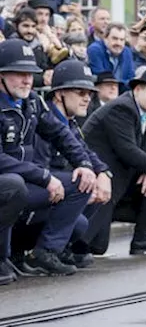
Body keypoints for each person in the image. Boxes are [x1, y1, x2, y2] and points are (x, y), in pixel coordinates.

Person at [0, 40, 96, 276]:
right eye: (19, 74)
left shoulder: (31, 101)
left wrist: (84, 165)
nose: (26, 80)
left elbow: (61, 134)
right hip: (8, 184)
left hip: (25, 183)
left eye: (30, 74)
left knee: (80, 185)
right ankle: (2, 257)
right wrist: (44, 177)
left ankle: (42, 253)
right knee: (14, 185)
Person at [80, 68, 146, 256]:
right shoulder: (122, 108)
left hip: (119, 182)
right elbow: (128, 151)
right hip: (98, 181)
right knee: (95, 247)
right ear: (137, 89)